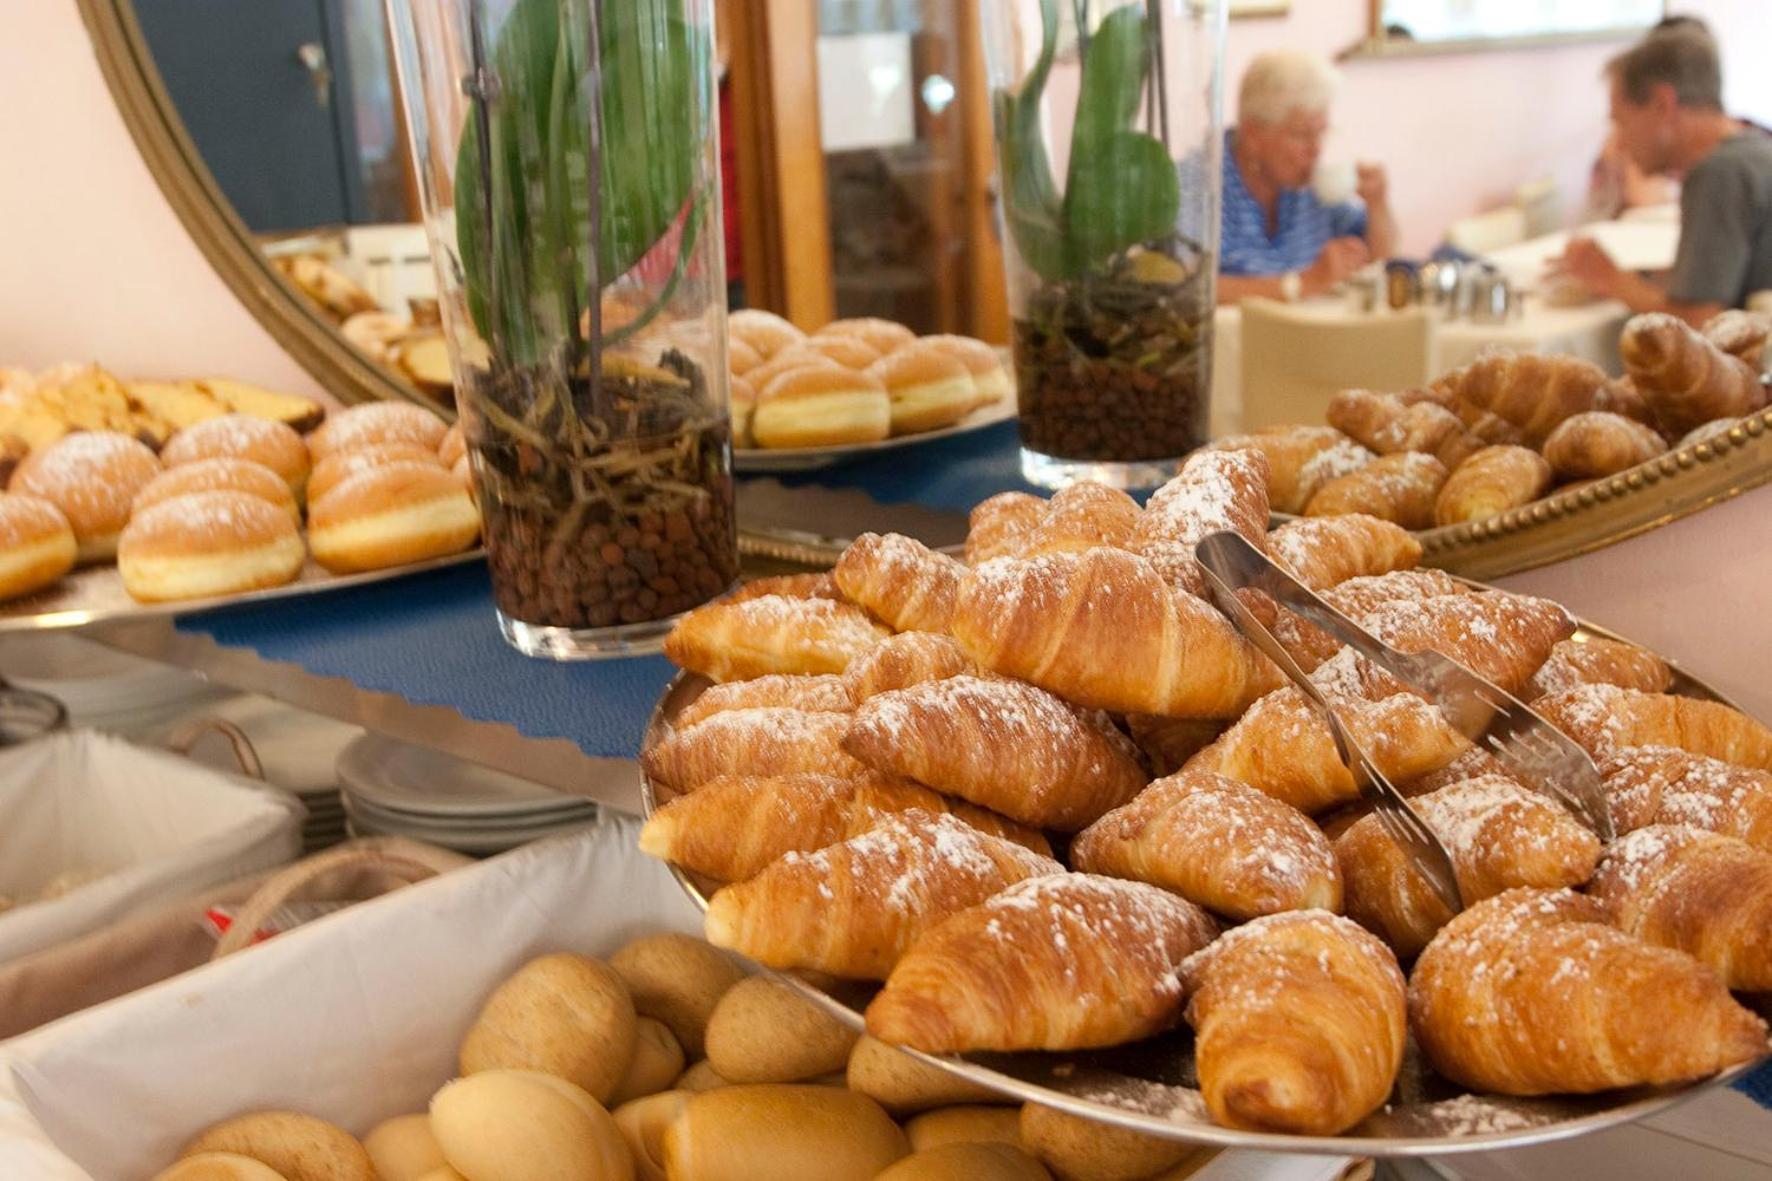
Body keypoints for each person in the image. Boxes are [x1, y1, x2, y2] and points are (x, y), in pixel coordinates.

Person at [1555, 28, 1772, 323]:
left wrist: (1612, 280)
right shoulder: (1755, 149)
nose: (1618, 143)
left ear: (1662, 104)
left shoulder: (1718, 173)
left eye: (1621, 121)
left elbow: (1699, 323)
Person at [1214, 51, 1399, 305]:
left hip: (1305, 340)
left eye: (1322, 133)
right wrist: (1302, 283)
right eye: (1302, 135)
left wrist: (1378, 204)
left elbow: (1383, 259)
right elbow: (1183, 288)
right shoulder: (1202, 186)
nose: (1316, 149)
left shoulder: (1310, 187)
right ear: (1253, 136)